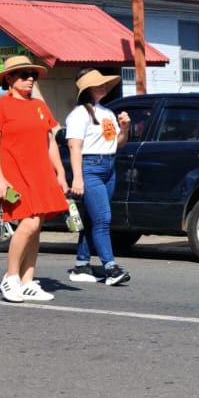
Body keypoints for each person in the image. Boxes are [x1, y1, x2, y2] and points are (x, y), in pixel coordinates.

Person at [0, 55, 67, 304]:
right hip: (14, 175)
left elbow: (50, 143)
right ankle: (11, 277)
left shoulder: (40, 106)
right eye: (23, 75)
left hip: (41, 174)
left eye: (33, 75)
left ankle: (28, 281)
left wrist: (59, 172)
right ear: (9, 78)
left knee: (37, 225)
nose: (30, 79)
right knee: (27, 223)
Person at [65, 69, 132, 288]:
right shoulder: (78, 115)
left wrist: (125, 128)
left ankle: (82, 263)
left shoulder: (106, 112)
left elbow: (117, 143)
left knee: (94, 219)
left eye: (104, 83)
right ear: (87, 89)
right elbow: (74, 146)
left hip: (109, 165)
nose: (103, 86)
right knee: (103, 218)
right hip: (90, 166)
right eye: (97, 84)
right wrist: (77, 177)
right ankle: (110, 267)